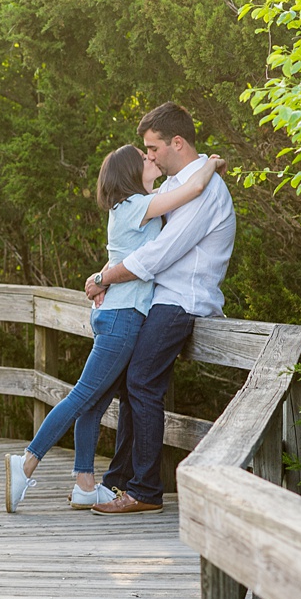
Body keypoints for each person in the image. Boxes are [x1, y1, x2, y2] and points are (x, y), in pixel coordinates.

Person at [5, 143, 226, 513]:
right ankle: (26, 462)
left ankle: (85, 485)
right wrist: (211, 163)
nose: (150, 158)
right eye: (144, 157)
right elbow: (192, 190)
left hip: (118, 314)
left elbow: (171, 199)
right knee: (82, 397)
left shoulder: (134, 206)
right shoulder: (135, 207)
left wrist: (101, 278)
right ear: (129, 173)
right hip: (123, 320)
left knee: (94, 401)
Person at [85, 102, 235, 515]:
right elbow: (140, 239)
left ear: (177, 142)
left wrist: (105, 279)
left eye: (152, 149)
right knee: (128, 384)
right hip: (158, 298)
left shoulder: (204, 192)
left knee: (142, 382)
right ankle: (119, 482)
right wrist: (106, 272)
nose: (147, 156)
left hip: (181, 301)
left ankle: (146, 490)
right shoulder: (178, 184)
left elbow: (161, 254)